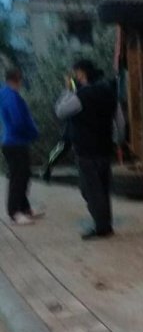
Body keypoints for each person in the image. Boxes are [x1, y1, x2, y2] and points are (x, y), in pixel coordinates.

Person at [55, 59, 123, 240]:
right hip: (105, 149)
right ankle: (105, 224)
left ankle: (102, 227)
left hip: (86, 150)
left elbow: (60, 111)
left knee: (90, 190)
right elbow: (120, 121)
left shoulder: (80, 96)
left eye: (75, 74)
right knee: (103, 188)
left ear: (81, 74)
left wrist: (68, 90)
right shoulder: (109, 93)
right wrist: (118, 141)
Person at [0, 68, 41, 225]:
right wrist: (32, 133)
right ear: (17, 79)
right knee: (19, 178)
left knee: (21, 176)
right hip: (16, 142)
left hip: (11, 142)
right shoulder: (12, 96)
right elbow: (18, 121)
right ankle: (15, 212)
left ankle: (24, 208)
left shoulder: (5, 94)